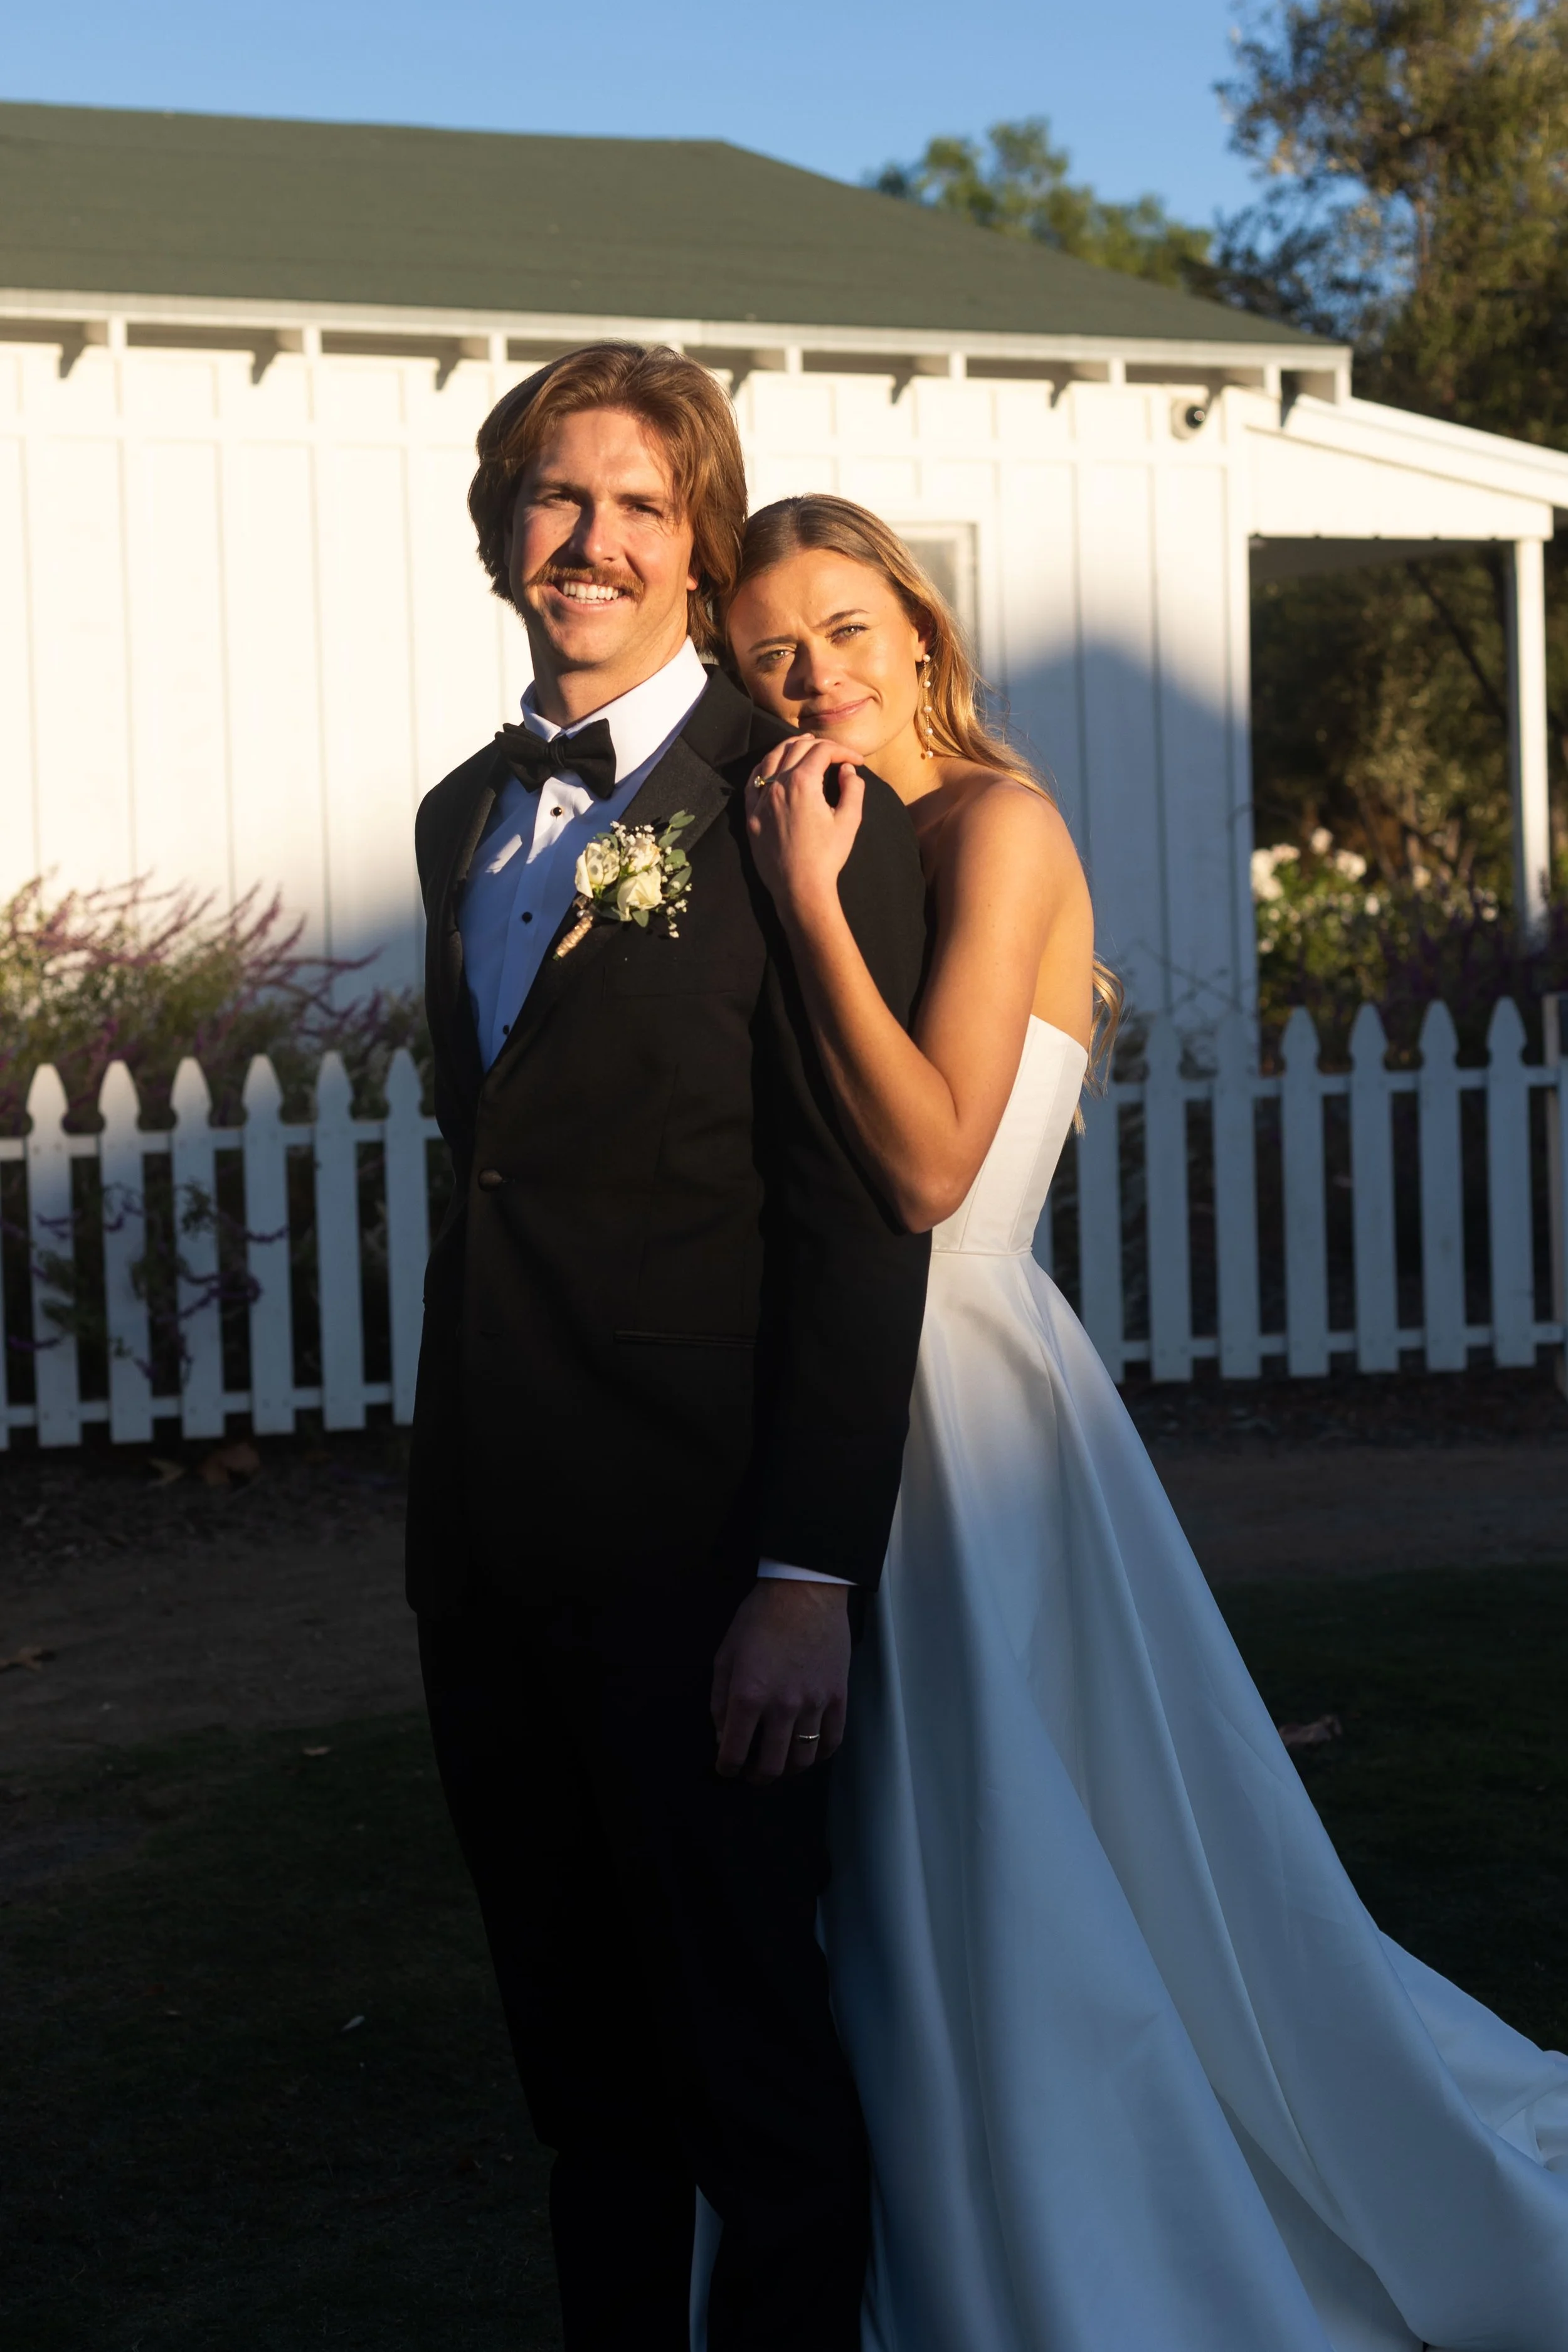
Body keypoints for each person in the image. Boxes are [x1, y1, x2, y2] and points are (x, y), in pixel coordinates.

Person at [725, 493, 1568, 2352]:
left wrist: (800, 902)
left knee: (1021, 1839)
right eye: (770, 647)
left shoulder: (991, 826)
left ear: (919, 631)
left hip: (962, 1404)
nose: (812, 675)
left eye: (844, 629)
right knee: (888, 1860)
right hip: (846, 1390)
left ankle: (1100, 2235)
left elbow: (935, 1163)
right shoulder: (831, 819)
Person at [407, 358, 930, 2352]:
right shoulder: (462, 815)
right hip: (488, 1537)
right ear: (498, 535)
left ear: (698, 543)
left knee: (750, 2073)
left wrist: (806, 1571)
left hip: (704, 1548)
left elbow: (856, 1211)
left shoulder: (798, 802)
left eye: (638, 506)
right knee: (582, 2073)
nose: (593, 542)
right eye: (555, 500)